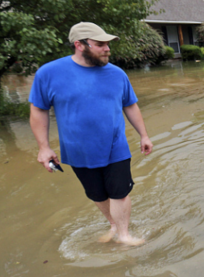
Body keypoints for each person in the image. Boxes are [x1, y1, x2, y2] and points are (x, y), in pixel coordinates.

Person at [29, 22, 153, 246]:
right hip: (77, 148)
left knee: (119, 192)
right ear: (79, 45)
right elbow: (38, 110)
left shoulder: (117, 74)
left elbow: (130, 105)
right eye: (100, 44)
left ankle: (124, 234)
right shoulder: (48, 73)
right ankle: (113, 224)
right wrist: (44, 147)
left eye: (108, 44)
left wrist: (144, 135)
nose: (107, 49)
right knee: (96, 194)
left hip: (115, 145)